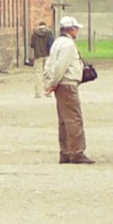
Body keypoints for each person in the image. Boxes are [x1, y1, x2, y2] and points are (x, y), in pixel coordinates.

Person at [44, 16, 92, 164]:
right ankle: (77, 152)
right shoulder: (68, 45)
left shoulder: (57, 43)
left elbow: (50, 63)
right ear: (71, 29)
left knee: (64, 120)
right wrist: (53, 83)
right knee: (74, 119)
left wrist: (50, 80)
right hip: (67, 84)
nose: (77, 31)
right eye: (76, 28)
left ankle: (65, 151)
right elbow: (61, 66)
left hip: (61, 84)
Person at [30, 20, 55, 98]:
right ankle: (48, 91)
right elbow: (52, 44)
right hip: (47, 55)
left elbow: (32, 45)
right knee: (47, 73)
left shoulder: (34, 34)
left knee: (38, 74)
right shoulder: (49, 33)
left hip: (38, 55)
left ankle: (38, 93)